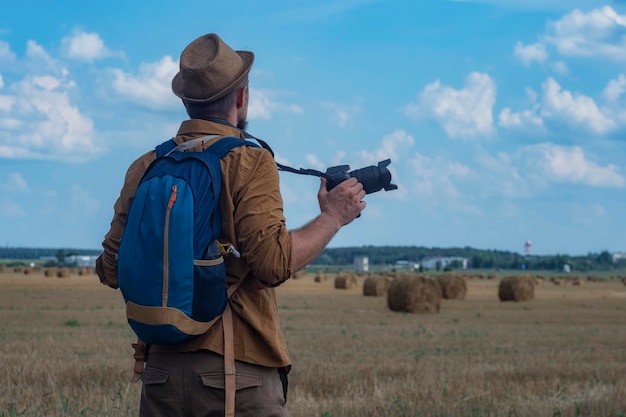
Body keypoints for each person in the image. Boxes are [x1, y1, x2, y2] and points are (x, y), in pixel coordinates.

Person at [96, 33, 366, 417]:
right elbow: (272, 264)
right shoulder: (249, 161)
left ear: (186, 101)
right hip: (236, 377)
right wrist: (333, 217)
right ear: (242, 98)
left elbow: (110, 268)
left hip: (159, 376)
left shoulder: (146, 165)